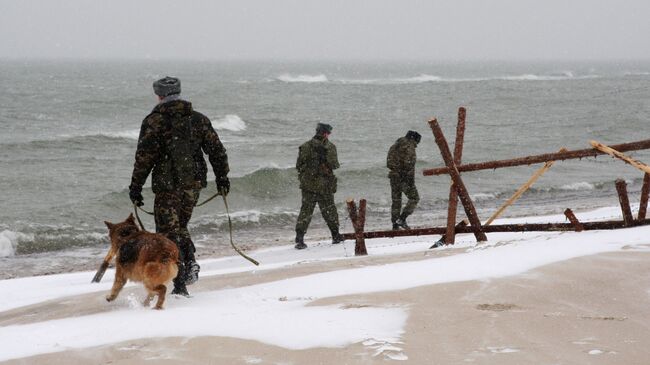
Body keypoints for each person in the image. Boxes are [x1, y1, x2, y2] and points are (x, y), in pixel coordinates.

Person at [128, 76, 230, 297]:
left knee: (166, 235)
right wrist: (222, 178)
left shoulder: (155, 121)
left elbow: (144, 157)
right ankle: (189, 263)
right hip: (193, 185)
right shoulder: (198, 119)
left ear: (159, 95)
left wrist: (136, 186)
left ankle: (181, 280)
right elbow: (217, 151)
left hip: (167, 186)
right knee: (179, 227)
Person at [294, 123, 344, 249]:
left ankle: (299, 239)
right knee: (330, 211)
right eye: (328, 133)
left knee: (306, 211)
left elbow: (299, 166)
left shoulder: (305, 146)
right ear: (326, 133)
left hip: (308, 185)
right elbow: (335, 165)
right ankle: (335, 235)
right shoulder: (330, 147)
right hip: (324, 186)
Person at [387, 130, 421, 230]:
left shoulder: (394, 146)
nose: (416, 145)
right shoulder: (409, 147)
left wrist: (396, 170)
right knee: (414, 198)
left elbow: (388, 162)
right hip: (404, 177)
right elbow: (409, 164)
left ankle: (395, 225)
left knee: (396, 201)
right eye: (416, 143)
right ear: (413, 139)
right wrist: (409, 180)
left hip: (393, 176)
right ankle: (402, 219)